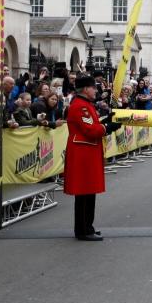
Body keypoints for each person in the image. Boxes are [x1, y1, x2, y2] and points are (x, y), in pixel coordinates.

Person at [64, 75, 120, 241]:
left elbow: (92, 126)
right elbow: (90, 130)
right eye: (93, 87)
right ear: (86, 89)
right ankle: (83, 230)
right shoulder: (81, 106)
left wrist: (105, 121)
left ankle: (88, 227)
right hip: (83, 153)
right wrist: (107, 127)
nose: (96, 90)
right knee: (83, 193)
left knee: (88, 193)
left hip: (86, 152)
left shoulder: (84, 105)